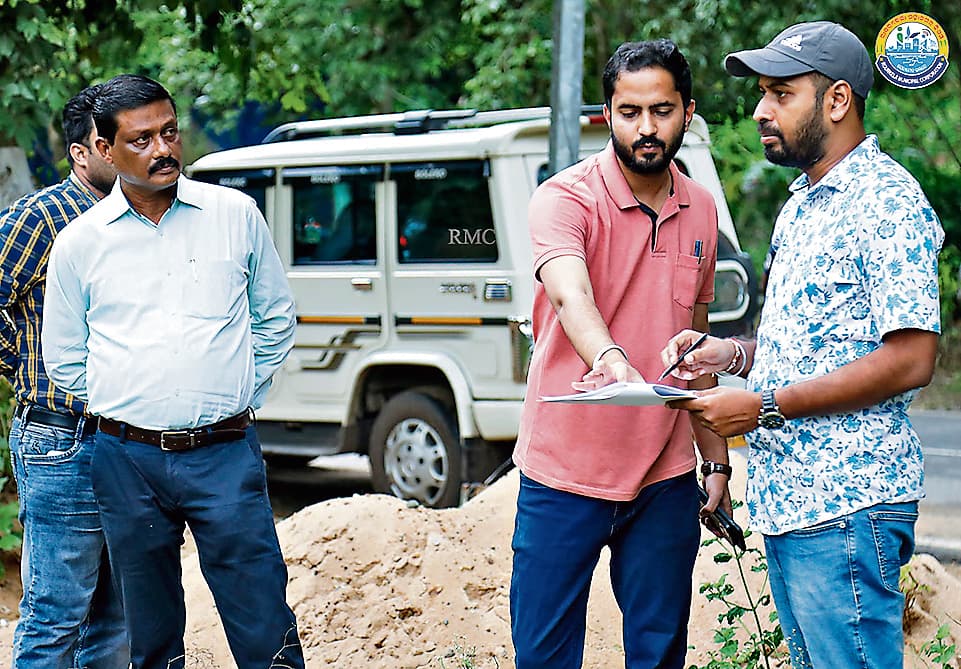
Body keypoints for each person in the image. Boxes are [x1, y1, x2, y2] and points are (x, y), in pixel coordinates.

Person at [662, 21, 943, 669]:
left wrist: (762, 406)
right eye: (762, 93)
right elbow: (813, 340)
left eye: (780, 93)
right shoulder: (803, 204)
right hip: (791, 503)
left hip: (846, 504)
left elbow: (911, 358)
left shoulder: (886, 201)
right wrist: (731, 354)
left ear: (837, 100)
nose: (760, 110)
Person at [40, 74, 305, 669]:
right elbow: (65, 357)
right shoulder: (79, 244)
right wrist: (129, 404)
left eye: (169, 132)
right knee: (150, 633)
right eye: (141, 140)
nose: (162, 149)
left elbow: (275, 318)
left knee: (264, 621)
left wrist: (234, 391)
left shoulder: (234, 215)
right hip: (126, 461)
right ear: (104, 149)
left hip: (225, 453)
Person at [510, 40, 732, 669]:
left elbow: (696, 342)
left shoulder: (701, 208)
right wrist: (609, 356)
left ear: (687, 112)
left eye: (661, 110)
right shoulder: (564, 198)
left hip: (664, 477)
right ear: (607, 115)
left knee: (659, 656)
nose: (646, 128)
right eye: (629, 112)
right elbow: (569, 292)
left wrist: (715, 461)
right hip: (563, 473)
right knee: (544, 658)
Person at [0, 85, 127, 669]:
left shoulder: (142, 220)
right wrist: (23, 364)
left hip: (131, 440)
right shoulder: (41, 217)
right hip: (62, 439)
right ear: (82, 153)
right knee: (56, 614)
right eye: (115, 141)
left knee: (118, 618)